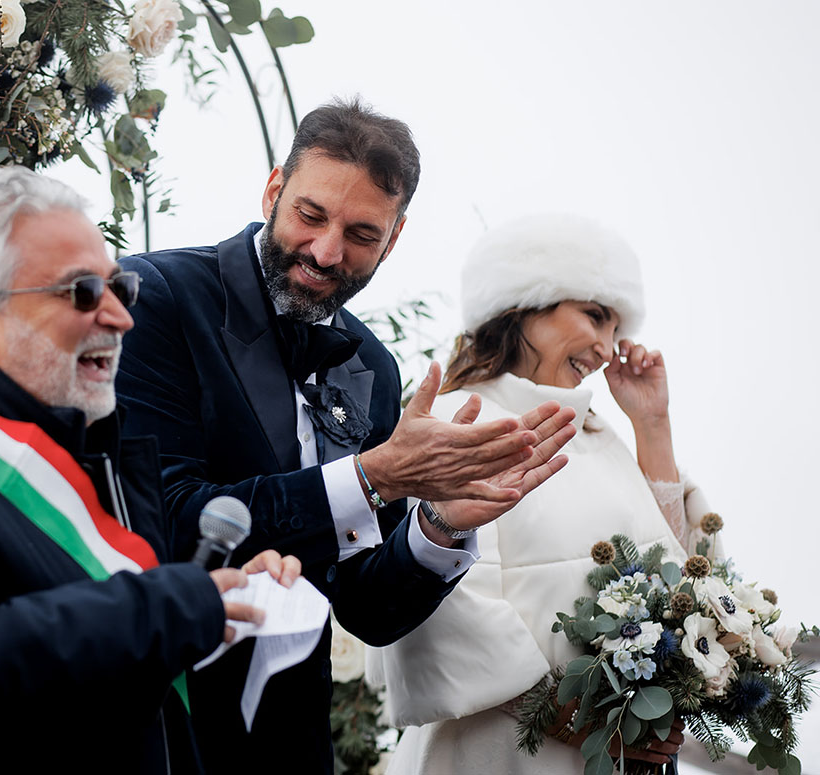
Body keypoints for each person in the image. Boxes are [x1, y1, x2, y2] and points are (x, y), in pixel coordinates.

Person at [116, 99, 577, 773]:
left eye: (362, 233)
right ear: (274, 189)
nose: (327, 252)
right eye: (310, 215)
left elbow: (367, 608)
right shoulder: (154, 295)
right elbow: (164, 518)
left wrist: (441, 527)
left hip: (291, 745)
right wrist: (375, 476)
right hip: (160, 723)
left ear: (393, 240)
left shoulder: (373, 365)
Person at [0, 166, 301, 774]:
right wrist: (165, 609)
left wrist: (214, 598)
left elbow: (79, 655)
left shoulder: (78, 448)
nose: (122, 318)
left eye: (116, 288)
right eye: (80, 292)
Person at [368, 213, 715, 773]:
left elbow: (679, 573)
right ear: (526, 304)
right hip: (502, 753)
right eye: (594, 316)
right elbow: (446, 607)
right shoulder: (463, 416)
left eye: (616, 330)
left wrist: (652, 424)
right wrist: (586, 721)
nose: (606, 348)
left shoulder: (599, 435)